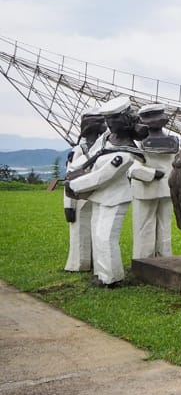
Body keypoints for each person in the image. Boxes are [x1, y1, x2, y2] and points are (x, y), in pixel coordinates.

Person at [65, 96, 143, 287]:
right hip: (100, 197)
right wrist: (73, 170)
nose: (109, 123)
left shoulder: (127, 153)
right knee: (97, 234)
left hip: (115, 198)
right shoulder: (106, 138)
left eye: (114, 119)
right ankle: (100, 273)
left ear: (125, 120)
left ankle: (111, 278)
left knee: (105, 237)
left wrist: (74, 185)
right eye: (108, 119)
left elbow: (102, 176)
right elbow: (90, 159)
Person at [128, 103, 180, 259]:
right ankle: (164, 257)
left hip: (145, 189)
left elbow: (132, 168)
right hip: (166, 188)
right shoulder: (174, 141)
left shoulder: (137, 144)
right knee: (164, 226)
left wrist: (150, 174)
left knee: (144, 225)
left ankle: (144, 259)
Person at [63, 106, 108, 272]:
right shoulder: (78, 150)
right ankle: (79, 263)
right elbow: (69, 178)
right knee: (79, 232)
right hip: (78, 198)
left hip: (95, 195)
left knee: (97, 232)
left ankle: (96, 262)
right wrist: (68, 206)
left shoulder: (101, 147)